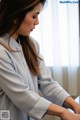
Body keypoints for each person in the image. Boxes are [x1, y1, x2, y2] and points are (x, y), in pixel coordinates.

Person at [0, 0, 80, 120]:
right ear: (15, 17)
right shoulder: (2, 52)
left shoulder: (31, 44)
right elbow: (22, 95)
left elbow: (47, 83)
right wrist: (63, 112)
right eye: (34, 16)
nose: (37, 22)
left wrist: (74, 105)